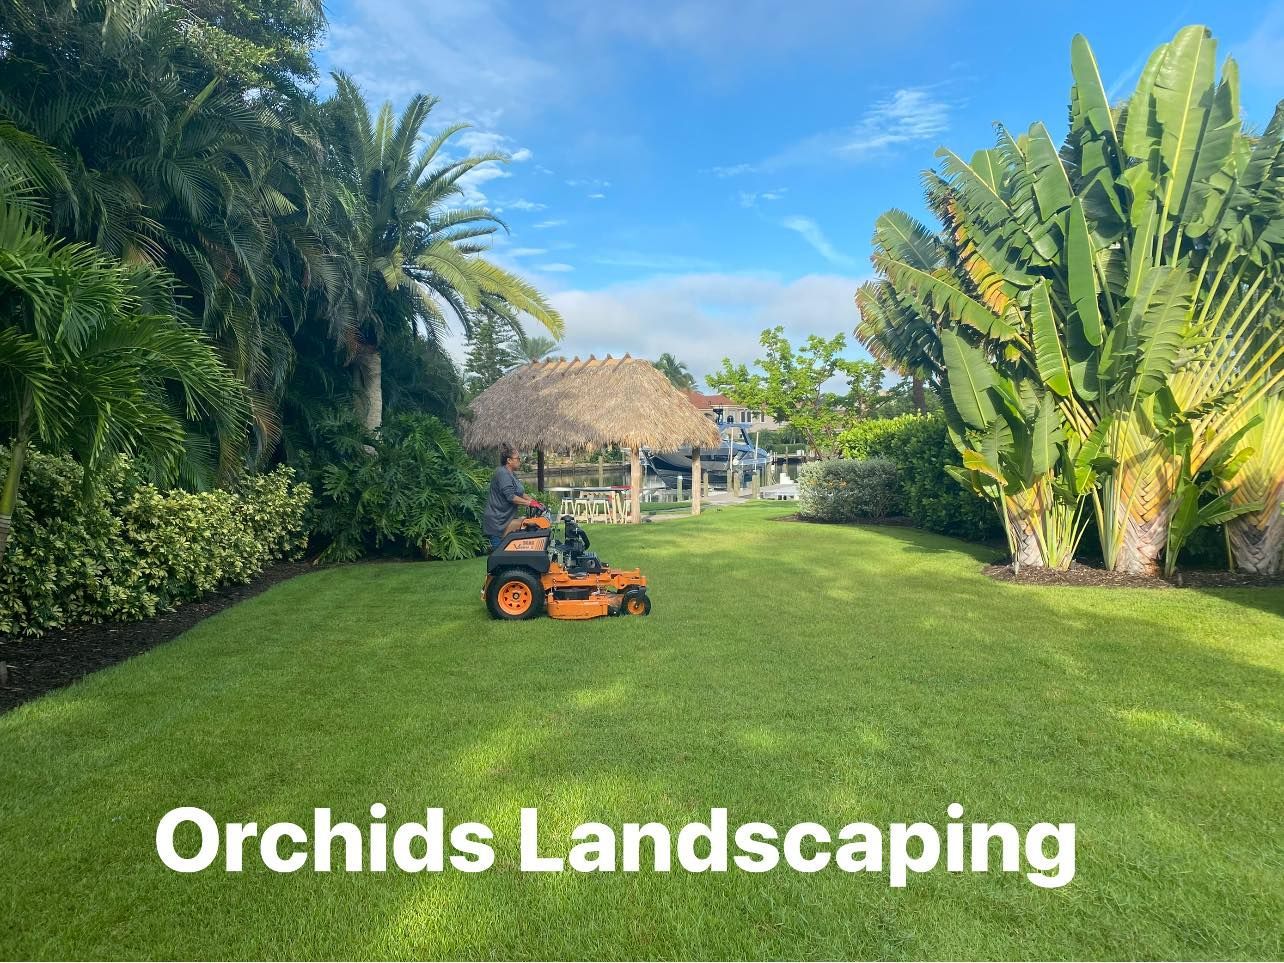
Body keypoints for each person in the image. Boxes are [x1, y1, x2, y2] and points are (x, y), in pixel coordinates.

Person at [483, 445, 543, 551]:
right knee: (500, 557)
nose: (520, 461)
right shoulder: (502, 473)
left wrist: (534, 502)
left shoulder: (511, 474)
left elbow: (520, 493)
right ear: (509, 460)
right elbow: (511, 497)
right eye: (518, 459)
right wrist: (529, 504)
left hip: (506, 518)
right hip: (498, 519)